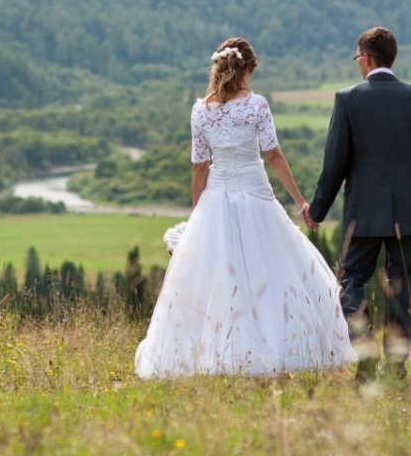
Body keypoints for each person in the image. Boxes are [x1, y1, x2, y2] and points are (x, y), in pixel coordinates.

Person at [134, 37, 355, 378]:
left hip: (216, 197)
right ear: (247, 69)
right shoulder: (256, 105)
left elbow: (199, 166)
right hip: (255, 194)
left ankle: (211, 352)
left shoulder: (200, 110)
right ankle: (276, 346)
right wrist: (300, 202)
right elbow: (274, 155)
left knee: (217, 274)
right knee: (271, 268)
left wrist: (197, 212)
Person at [303, 27, 411, 381]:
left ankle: (364, 349)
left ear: (366, 58)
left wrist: (317, 210)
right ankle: (396, 367)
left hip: (363, 214)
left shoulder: (348, 100)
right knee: (399, 287)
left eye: (357, 58)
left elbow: (334, 164)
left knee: (351, 279)